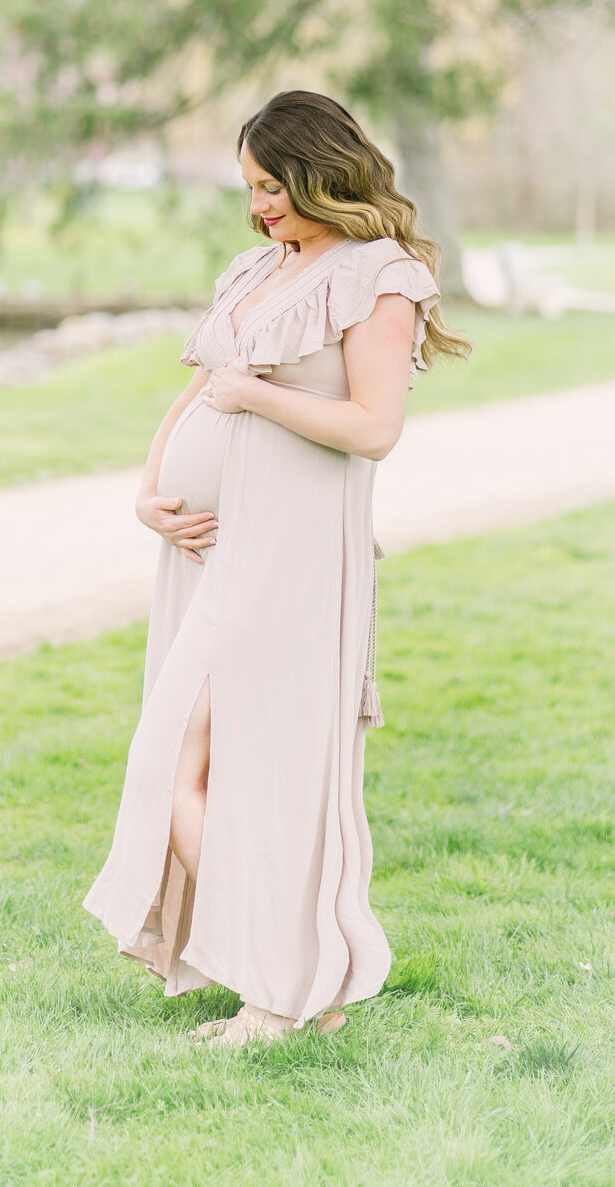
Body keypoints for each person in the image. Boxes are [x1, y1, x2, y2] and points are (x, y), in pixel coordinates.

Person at [83, 89, 469, 1047]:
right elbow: (199, 391)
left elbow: (373, 428)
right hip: (207, 553)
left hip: (286, 552)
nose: (257, 206)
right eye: (248, 187)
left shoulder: (379, 276)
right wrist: (147, 491)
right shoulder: (258, 267)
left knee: (183, 761)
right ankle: (290, 986)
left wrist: (254, 394)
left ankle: (285, 987)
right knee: (208, 765)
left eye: (270, 186)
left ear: (319, 172)